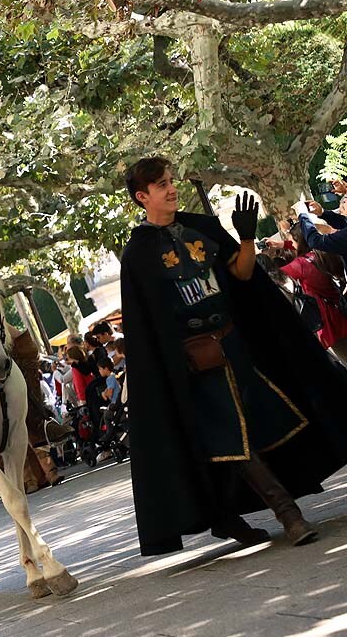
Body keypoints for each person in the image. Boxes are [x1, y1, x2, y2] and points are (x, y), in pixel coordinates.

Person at [120, 156, 347, 556]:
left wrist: (244, 239)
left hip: (237, 345)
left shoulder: (202, 227)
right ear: (143, 197)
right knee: (227, 434)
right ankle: (288, 514)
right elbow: (148, 326)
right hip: (194, 360)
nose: (172, 189)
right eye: (161, 185)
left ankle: (227, 514)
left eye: (171, 181)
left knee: (261, 422)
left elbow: (242, 275)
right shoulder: (138, 254)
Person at [279, 223, 347, 364]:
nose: (291, 245)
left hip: (331, 322)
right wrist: (284, 244)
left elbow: (276, 275)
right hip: (341, 310)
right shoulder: (322, 253)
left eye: (292, 241)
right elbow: (299, 244)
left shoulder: (299, 265)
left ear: (299, 241)